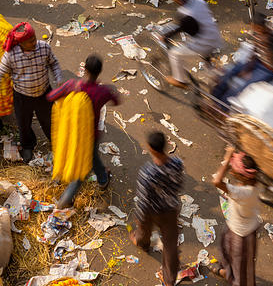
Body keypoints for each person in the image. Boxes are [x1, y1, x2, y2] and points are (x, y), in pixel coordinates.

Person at [49, 54, 120, 208]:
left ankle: (102, 178)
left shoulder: (71, 86)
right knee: (83, 169)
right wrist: (109, 90)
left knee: (91, 158)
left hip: (71, 132)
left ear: (84, 69)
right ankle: (65, 200)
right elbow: (116, 100)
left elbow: (51, 96)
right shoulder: (102, 91)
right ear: (99, 71)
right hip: (90, 135)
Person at [0, 22, 62, 161]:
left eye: (34, 38)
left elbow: (54, 63)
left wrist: (58, 77)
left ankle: (55, 141)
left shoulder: (44, 48)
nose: (35, 42)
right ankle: (28, 146)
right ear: (20, 43)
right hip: (22, 97)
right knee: (24, 124)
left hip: (44, 94)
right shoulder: (10, 55)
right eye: (30, 41)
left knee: (49, 121)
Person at [130, 131, 183, 286]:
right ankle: (169, 280)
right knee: (170, 244)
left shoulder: (147, 173)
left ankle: (143, 244)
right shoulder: (177, 164)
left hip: (151, 211)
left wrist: (140, 216)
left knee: (144, 230)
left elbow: (143, 199)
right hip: (170, 209)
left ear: (151, 149)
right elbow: (179, 184)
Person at [210, 147, 261, 286]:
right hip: (233, 227)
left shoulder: (244, 192)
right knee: (226, 253)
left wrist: (227, 159)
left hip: (243, 236)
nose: (231, 172)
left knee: (243, 270)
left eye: (234, 170)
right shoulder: (252, 184)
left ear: (243, 176)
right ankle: (227, 272)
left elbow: (217, 181)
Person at [161, 0, 225, 88]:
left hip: (204, 43)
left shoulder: (185, 13)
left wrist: (165, 36)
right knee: (207, 60)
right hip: (214, 34)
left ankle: (179, 80)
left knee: (174, 54)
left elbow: (183, 29)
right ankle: (215, 76)